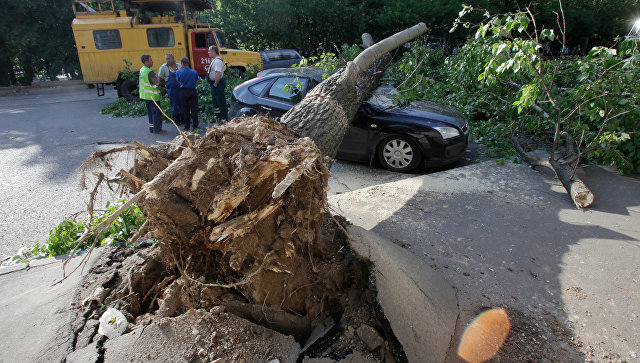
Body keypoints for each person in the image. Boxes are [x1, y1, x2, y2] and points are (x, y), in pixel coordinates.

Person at [138, 54, 166, 134]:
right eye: (150, 60)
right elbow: (157, 83)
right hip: (153, 96)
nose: (152, 61)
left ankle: (152, 128)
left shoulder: (142, 70)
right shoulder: (149, 72)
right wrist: (159, 79)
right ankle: (157, 130)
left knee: (150, 113)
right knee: (156, 113)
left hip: (145, 96)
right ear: (146, 62)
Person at [158, 53, 182, 125]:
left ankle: (184, 119)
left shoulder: (179, 65)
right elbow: (160, 78)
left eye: (169, 58)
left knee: (182, 104)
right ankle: (176, 120)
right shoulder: (163, 67)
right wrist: (167, 83)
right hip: (171, 89)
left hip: (181, 88)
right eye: (166, 59)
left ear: (173, 58)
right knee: (174, 105)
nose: (167, 60)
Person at [176, 57, 199, 131]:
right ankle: (195, 126)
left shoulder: (179, 72)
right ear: (188, 63)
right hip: (192, 91)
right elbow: (196, 80)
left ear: (182, 63)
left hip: (183, 91)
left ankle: (187, 126)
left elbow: (178, 81)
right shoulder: (194, 72)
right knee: (194, 109)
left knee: (185, 110)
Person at [207, 45, 229, 122]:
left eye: (209, 51)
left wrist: (215, 84)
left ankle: (224, 119)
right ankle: (218, 117)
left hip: (218, 84)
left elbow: (218, 74)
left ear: (214, 51)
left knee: (220, 102)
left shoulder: (217, 61)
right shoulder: (214, 60)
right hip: (215, 84)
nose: (208, 52)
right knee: (216, 102)